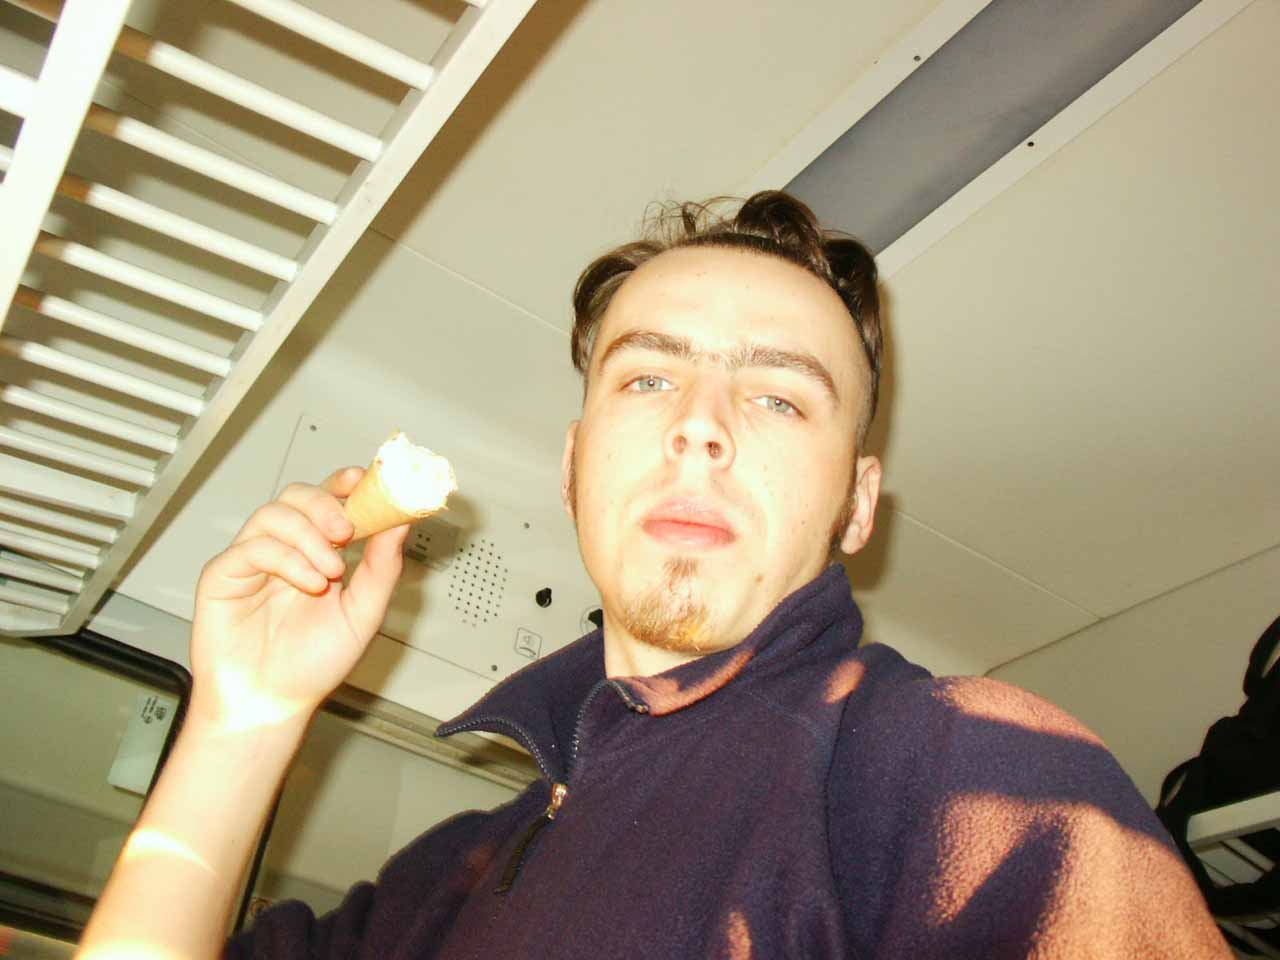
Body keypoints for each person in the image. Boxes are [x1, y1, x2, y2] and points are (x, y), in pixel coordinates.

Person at [77, 193, 1230, 959]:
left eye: (777, 396)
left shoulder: (957, 767)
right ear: (573, 465)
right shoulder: (437, 885)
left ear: (857, 503)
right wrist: (242, 719)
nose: (699, 427)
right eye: (646, 380)